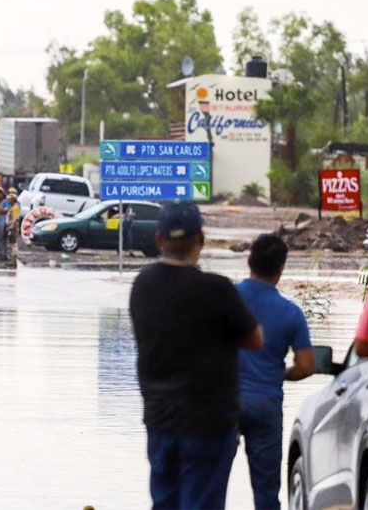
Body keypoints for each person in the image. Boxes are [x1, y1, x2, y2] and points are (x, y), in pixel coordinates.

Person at [129, 202, 263, 510]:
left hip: (160, 419)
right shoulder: (216, 289)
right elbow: (255, 339)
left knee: (165, 503)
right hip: (209, 423)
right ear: (200, 239)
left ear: (159, 239)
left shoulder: (142, 285)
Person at [235, 234, 314, 509]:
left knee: (210, 480)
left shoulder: (227, 298)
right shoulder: (291, 313)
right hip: (266, 403)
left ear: (249, 261)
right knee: (267, 491)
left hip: (223, 400)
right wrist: (278, 373)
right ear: (281, 269)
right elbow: (307, 365)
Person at [6, 188, 21, 261]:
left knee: (13, 243)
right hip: (11, 226)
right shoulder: (13, 207)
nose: (8, 200)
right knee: (10, 242)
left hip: (13, 228)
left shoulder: (15, 207)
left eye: (10, 199)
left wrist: (11, 226)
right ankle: (12, 257)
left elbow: (16, 218)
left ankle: (13, 257)